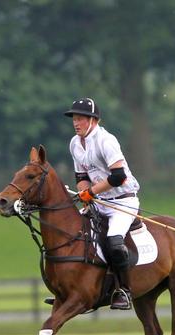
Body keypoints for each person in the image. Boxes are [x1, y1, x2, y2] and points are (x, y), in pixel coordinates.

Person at [64, 98, 140, 310]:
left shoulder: (106, 141)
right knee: (73, 234)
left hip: (123, 201)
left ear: (93, 120)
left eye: (80, 118)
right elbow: (80, 175)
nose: (76, 123)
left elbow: (118, 176)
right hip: (99, 201)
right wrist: (84, 193)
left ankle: (124, 291)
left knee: (114, 242)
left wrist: (90, 192)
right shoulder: (74, 143)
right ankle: (73, 289)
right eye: (74, 119)